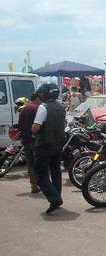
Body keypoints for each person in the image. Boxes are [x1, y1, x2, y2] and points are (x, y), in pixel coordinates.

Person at [31, 83, 66, 214]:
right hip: (58, 143)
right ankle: (57, 196)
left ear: (45, 94)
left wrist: (32, 129)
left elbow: (36, 127)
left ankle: (54, 198)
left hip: (45, 144)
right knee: (56, 171)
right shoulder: (61, 107)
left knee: (40, 173)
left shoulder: (43, 107)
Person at [17, 95, 41, 193]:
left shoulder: (23, 110)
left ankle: (34, 186)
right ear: (37, 99)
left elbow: (20, 125)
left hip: (26, 140)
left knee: (30, 164)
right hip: (36, 141)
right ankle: (44, 184)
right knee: (41, 163)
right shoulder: (38, 109)